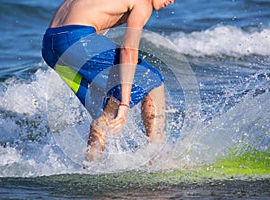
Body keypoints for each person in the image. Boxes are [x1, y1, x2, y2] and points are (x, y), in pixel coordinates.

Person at [42, 0, 174, 162]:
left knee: (105, 109)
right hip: (76, 40)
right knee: (150, 78)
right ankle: (157, 154)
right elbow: (128, 50)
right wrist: (125, 103)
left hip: (50, 47)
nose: (172, 1)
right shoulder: (143, 3)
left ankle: (91, 165)